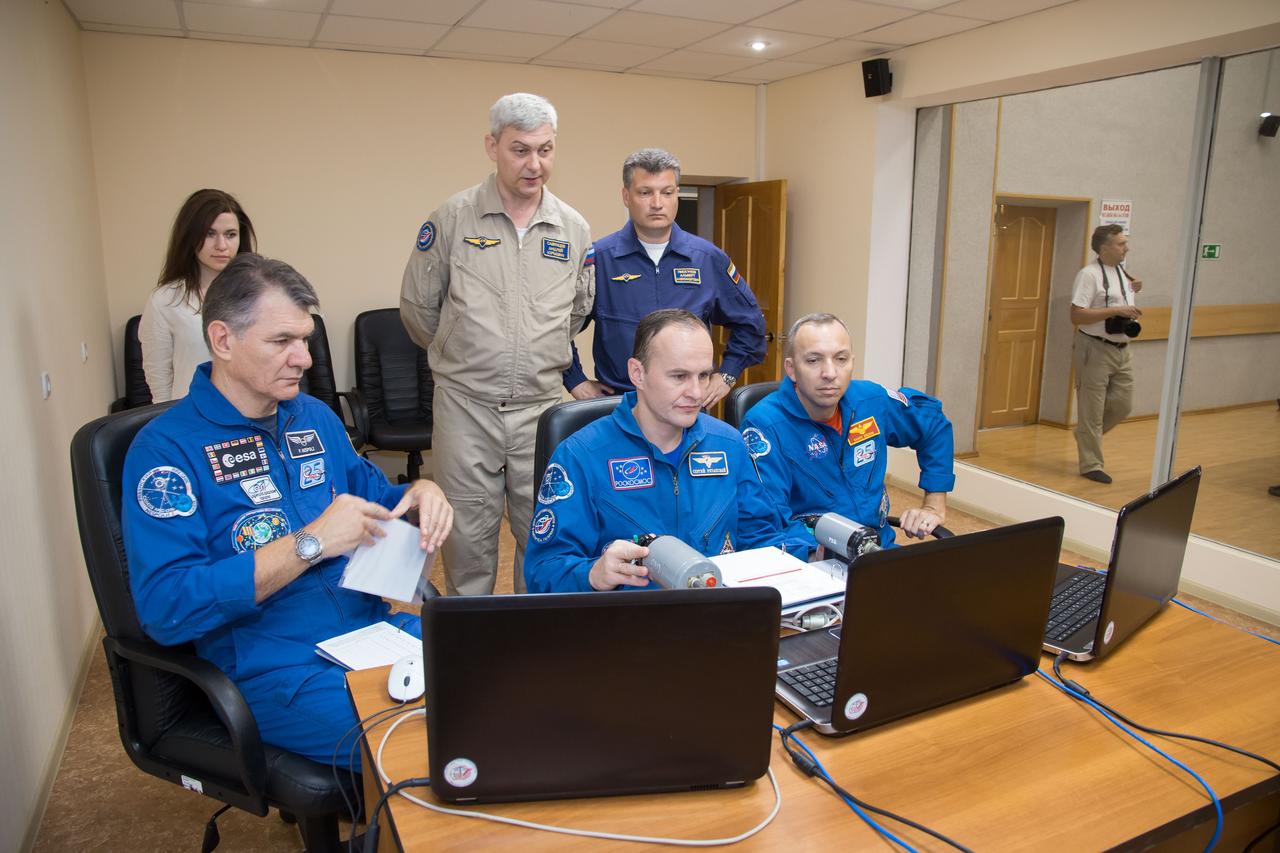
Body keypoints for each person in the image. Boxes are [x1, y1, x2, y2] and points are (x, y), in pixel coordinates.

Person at [123, 254, 453, 768]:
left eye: (304, 339)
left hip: (372, 636)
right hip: (276, 669)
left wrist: (422, 492)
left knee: (512, 679)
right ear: (222, 339)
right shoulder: (165, 452)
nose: (304, 358)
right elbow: (168, 608)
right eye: (281, 341)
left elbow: (378, 501)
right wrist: (311, 543)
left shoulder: (314, 418)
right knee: (436, 742)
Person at [400, 92, 593, 596]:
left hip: (541, 409)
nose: (535, 165)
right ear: (492, 147)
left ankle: (533, 637)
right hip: (467, 408)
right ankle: (473, 638)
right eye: (520, 150)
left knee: (546, 537)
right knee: (467, 542)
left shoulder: (573, 228)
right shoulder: (452, 218)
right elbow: (419, 311)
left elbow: (575, 312)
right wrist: (465, 351)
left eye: (545, 150)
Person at [525, 309, 811, 594]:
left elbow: (760, 537)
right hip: (630, 618)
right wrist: (592, 574)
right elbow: (544, 570)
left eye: (703, 375)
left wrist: (814, 552)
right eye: (679, 376)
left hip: (717, 612)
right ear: (638, 373)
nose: (697, 393)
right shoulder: (581, 455)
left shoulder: (729, 445)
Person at [563, 148, 766, 409]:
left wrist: (727, 375)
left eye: (667, 192)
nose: (657, 203)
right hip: (621, 406)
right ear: (626, 196)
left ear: (677, 194)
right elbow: (558, 327)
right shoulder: (599, 259)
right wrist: (575, 380)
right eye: (645, 192)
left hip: (688, 407)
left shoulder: (706, 258)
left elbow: (751, 324)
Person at [740, 313, 954, 549]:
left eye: (841, 359)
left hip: (878, 551)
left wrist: (934, 504)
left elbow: (933, 425)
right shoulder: (765, 425)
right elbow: (764, 525)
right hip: (812, 558)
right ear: (791, 369)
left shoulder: (870, 400)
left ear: (852, 362)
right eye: (813, 360)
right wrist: (816, 554)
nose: (830, 373)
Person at [139, 189, 257, 402]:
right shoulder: (165, 300)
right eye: (210, 234)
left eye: (230, 234)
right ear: (190, 237)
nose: (221, 246)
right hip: (191, 415)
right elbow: (159, 382)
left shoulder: (257, 294)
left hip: (249, 413)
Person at [1070, 224, 1144, 484]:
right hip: (1095, 348)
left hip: (1122, 349)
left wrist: (1132, 291)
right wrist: (1116, 311)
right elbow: (1076, 315)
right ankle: (1091, 464)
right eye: (1121, 244)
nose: (1126, 248)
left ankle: (1085, 435)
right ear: (1104, 249)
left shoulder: (1121, 271)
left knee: (1123, 405)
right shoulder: (1089, 275)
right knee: (1091, 409)